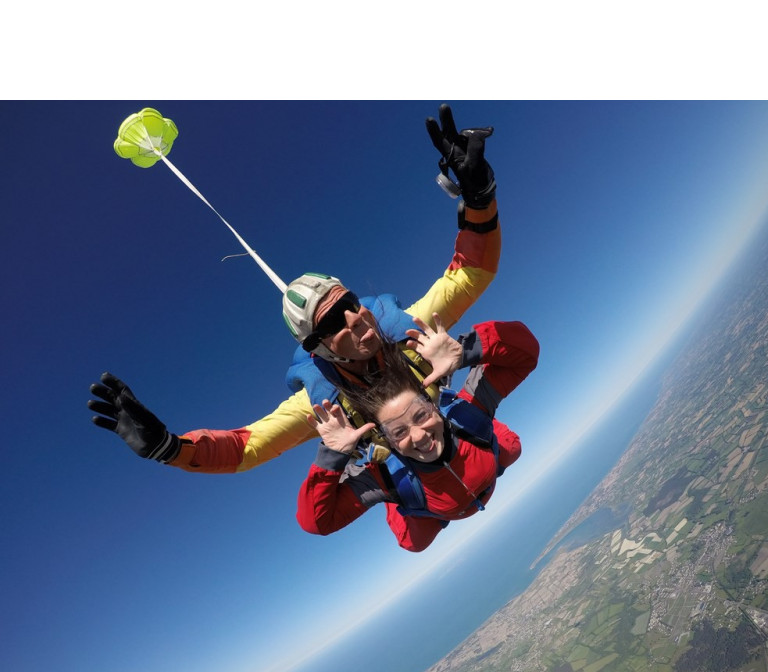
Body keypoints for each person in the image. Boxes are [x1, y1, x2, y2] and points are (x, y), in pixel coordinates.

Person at [89, 104, 504, 473]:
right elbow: (246, 447)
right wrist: (170, 448)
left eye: (351, 304)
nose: (355, 320)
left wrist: (478, 195)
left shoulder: (407, 329)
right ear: (317, 349)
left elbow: (471, 272)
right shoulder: (322, 401)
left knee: (513, 345)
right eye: (332, 323)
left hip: (450, 441)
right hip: (418, 465)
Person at [296, 313, 540, 552]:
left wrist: (464, 352)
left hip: (478, 469)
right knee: (413, 543)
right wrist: (333, 457)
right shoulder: (387, 476)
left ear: (434, 405)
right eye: (399, 432)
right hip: (428, 505)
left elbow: (526, 349)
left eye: (421, 415)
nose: (420, 436)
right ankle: (397, 504)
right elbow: (317, 522)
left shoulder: (467, 414)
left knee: (511, 447)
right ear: (387, 441)